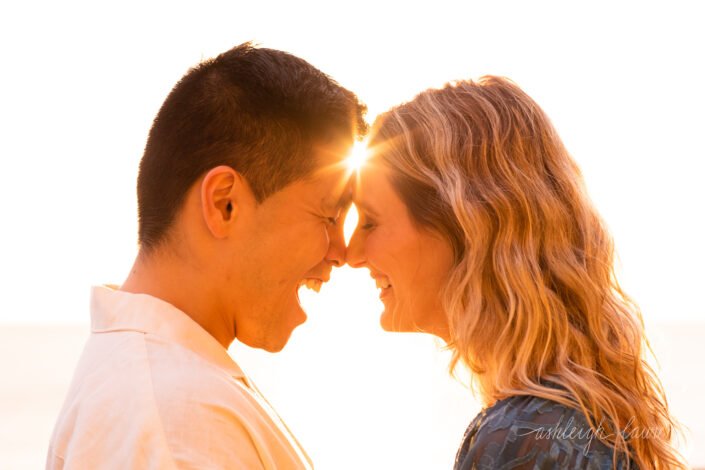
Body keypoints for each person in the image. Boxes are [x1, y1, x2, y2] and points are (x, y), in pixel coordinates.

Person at [47, 42, 367, 469]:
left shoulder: (158, 384)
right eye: (329, 215)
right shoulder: (175, 419)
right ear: (224, 204)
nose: (341, 253)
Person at [346, 76, 686, 469]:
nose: (351, 253)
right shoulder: (579, 416)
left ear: (466, 228)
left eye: (370, 221)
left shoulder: (522, 437)